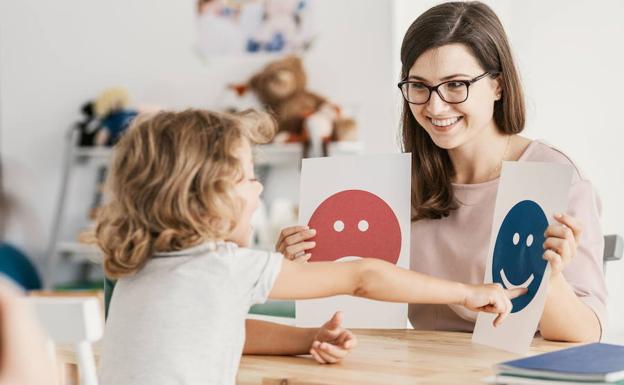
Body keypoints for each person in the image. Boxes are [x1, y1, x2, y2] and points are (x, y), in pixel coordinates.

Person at [96, 109, 523, 385]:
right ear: (203, 197)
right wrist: (468, 292)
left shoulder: (140, 270)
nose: (259, 187)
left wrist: (309, 337)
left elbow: (222, 330)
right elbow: (363, 276)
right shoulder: (223, 267)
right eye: (247, 177)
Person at [277, 1, 607, 343]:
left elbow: (586, 334)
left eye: (455, 85)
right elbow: (358, 300)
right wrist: (299, 267)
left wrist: (549, 279)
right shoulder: (394, 186)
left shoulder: (553, 178)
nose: (434, 107)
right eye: (419, 86)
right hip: (426, 368)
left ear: (498, 85)